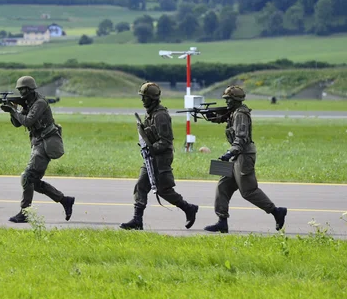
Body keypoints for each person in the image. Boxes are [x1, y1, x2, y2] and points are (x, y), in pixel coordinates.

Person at [203, 85, 287, 233]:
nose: (227, 102)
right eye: (226, 99)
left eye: (229, 99)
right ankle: (222, 221)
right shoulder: (234, 112)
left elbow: (241, 137)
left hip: (243, 156)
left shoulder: (240, 114)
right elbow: (224, 118)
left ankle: (276, 212)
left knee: (248, 191)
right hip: (237, 155)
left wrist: (229, 153)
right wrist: (212, 117)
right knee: (223, 186)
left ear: (236, 100)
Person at [120, 82, 199, 231]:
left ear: (153, 99)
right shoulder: (149, 113)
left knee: (164, 190)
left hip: (161, 157)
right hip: (151, 156)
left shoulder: (160, 115)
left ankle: (189, 208)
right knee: (141, 186)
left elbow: (165, 141)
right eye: (142, 97)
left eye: (145, 98)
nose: (143, 100)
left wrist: (151, 149)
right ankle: (137, 220)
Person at [0, 76, 75, 223]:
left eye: (23, 89)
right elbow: (17, 124)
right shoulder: (29, 102)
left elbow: (27, 121)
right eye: (19, 90)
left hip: (46, 142)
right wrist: (12, 110)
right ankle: (64, 200)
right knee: (32, 179)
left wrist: (14, 111)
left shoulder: (39, 103)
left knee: (27, 177)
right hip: (38, 142)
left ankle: (25, 213)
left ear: (31, 89)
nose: (21, 92)